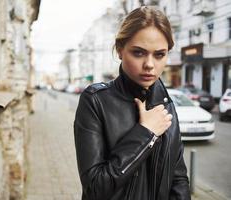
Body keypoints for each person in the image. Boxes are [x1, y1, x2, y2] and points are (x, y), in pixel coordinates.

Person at [74, 6, 191, 200]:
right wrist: (146, 134)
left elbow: (178, 178)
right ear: (120, 50)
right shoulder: (95, 101)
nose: (150, 65)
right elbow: (94, 189)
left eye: (159, 54)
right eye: (138, 53)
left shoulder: (166, 104)